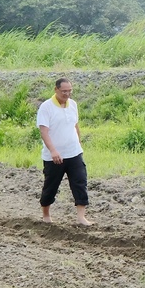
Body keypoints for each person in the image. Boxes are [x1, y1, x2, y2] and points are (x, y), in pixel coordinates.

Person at [37, 77, 93, 226]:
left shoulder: (73, 105)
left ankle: (81, 217)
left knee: (80, 182)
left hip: (74, 153)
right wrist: (53, 151)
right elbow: (44, 131)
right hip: (54, 156)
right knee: (51, 186)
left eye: (69, 91)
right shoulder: (46, 107)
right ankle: (46, 214)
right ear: (56, 90)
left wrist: (79, 144)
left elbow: (75, 126)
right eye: (64, 91)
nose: (67, 94)